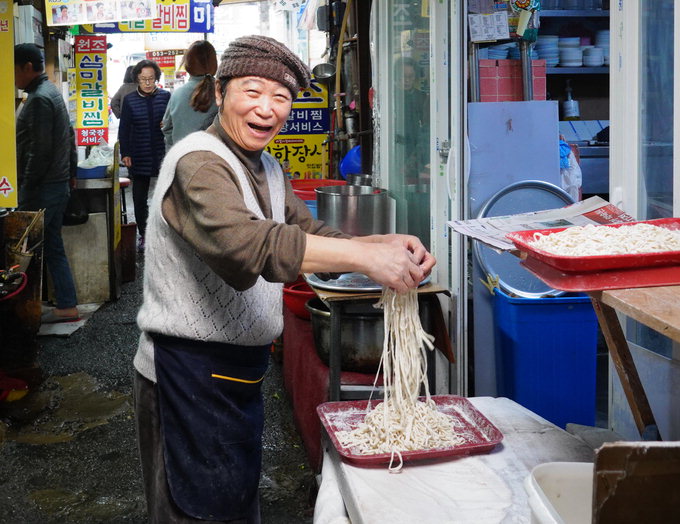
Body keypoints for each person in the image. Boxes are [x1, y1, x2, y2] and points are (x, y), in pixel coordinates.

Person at [133, 35, 435, 523]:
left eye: (281, 97)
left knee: (234, 502)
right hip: (185, 375)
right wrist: (364, 258)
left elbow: (305, 231)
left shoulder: (267, 166)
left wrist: (380, 245)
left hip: (236, 372)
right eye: (252, 92)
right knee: (195, 512)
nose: (266, 109)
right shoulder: (197, 162)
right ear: (222, 90)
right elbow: (250, 246)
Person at [14, 44, 79, 323]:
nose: (12, 77)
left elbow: (39, 151)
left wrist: (26, 189)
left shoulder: (40, 98)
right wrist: (71, 172)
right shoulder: (50, 91)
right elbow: (69, 136)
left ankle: (25, 312)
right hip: (57, 183)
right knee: (52, 245)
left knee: (25, 251)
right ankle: (67, 304)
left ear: (27, 67)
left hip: (44, 187)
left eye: (13, 70)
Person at [118, 59, 170, 251]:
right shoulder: (130, 100)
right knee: (139, 199)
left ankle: (166, 233)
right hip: (138, 153)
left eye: (151, 79)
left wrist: (167, 125)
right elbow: (124, 129)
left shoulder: (166, 96)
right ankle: (144, 234)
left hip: (161, 152)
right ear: (137, 79)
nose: (148, 83)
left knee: (165, 195)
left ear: (156, 78)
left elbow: (171, 121)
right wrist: (126, 152)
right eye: (143, 79)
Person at [162, 40, 219, 148]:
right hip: (215, 159)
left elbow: (167, 128)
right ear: (214, 64)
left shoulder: (177, 95)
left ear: (188, 64)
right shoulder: (224, 93)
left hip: (181, 158)